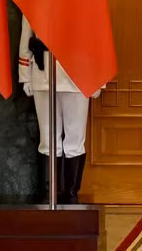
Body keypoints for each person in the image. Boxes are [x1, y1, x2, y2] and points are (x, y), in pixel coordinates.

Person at [19, 15, 100, 204]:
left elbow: (98, 36)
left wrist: (97, 77)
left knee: (75, 140)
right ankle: (49, 195)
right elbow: (26, 35)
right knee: (48, 140)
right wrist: (25, 75)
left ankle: (71, 196)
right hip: (44, 72)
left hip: (78, 73)